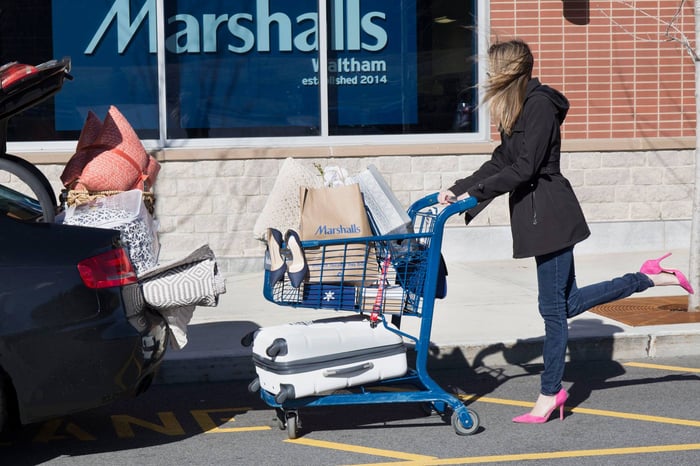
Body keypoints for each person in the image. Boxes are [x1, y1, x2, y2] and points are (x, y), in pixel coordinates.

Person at [438, 39, 694, 424]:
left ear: (509, 71)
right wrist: (459, 189)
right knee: (567, 303)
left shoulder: (538, 106)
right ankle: (647, 277)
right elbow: (501, 161)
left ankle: (549, 392)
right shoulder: (517, 107)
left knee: (553, 311)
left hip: (551, 215)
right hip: (537, 217)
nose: (487, 77)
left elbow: (525, 168)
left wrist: (476, 196)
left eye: (492, 70)